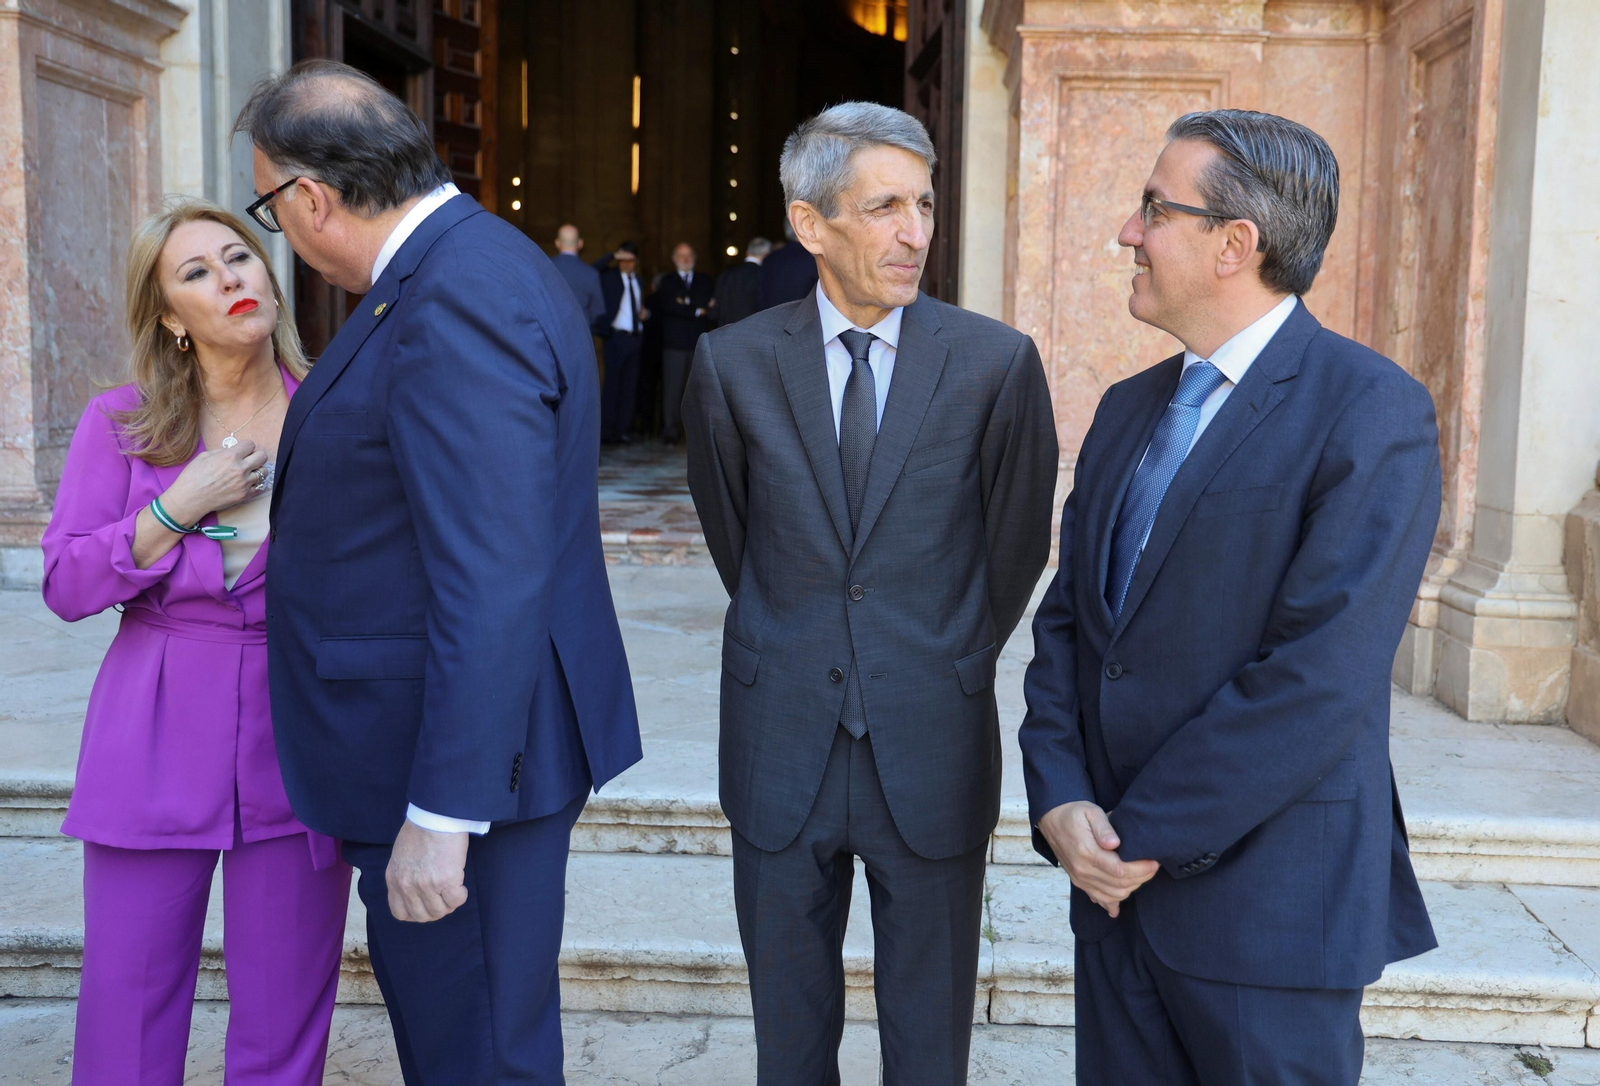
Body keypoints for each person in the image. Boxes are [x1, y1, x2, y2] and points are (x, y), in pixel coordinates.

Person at [235, 60, 642, 1084]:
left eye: (269, 204)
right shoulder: (459, 267)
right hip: (448, 744)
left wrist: (442, 814)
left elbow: (491, 573)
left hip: (465, 767)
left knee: (477, 1056)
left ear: (310, 199)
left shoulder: (454, 294)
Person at [1017, 109, 1441, 1086]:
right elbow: (1070, 626)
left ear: (1233, 244)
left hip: (1268, 916)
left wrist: (1137, 837)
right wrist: (1062, 797)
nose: (1127, 232)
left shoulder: (1369, 411)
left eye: (1152, 210)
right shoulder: (1128, 410)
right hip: (1114, 904)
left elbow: (1318, 676)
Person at [684, 102, 1058, 1085]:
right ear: (811, 225)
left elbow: (1014, 545)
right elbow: (739, 539)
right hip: (779, 743)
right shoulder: (731, 365)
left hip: (931, 733)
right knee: (789, 1038)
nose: (914, 232)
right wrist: (798, 634)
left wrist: (944, 650)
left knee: (930, 1038)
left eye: (924, 205)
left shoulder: (994, 363)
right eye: (884, 206)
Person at [40, 200, 349, 1085]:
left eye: (239, 258)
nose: (230, 280)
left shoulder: (336, 411)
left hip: (298, 730)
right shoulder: (118, 423)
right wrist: (179, 506)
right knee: (128, 1008)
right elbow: (66, 584)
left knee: (286, 1015)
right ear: (171, 315)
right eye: (197, 272)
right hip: (154, 725)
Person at [657, 241, 715, 445]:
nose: (685, 259)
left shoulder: (704, 280)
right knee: (672, 391)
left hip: (699, 343)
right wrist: (698, 309)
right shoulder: (667, 281)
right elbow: (669, 306)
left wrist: (685, 304)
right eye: (681, 256)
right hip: (674, 344)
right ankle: (670, 431)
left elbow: (710, 305)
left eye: (689, 255)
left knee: (700, 391)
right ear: (674, 259)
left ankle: (698, 434)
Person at [595, 241, 646, 443]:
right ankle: (607, 430)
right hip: (616, 337)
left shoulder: (639, 282)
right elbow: (593, 269)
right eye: (622, 261)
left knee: (630, 386)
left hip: (635, 338)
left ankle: (623, 429)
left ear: (636, 261)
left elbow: (640, 306)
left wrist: (645, 313)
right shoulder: (610, 278)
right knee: (612, 385)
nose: (626, 264)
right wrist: (612, 256)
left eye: (630, 260)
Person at [552, 222, 607, 333]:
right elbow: (598, 310)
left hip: (551, 332)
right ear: (580, 243)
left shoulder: (544, 269)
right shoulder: (591, 273)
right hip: (580, 333)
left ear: (557, 243)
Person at [757, 219, 820, 309]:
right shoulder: (814, 259)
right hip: (804, 319)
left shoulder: (770, 259)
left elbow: (761, 295)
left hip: (770, 317)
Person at [714, 236, 770, 327]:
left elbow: (715, 310)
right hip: (754, 331)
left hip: (726, 332)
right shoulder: (764, 275)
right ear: (766, 255)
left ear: (747, 252)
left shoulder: (727, 273)